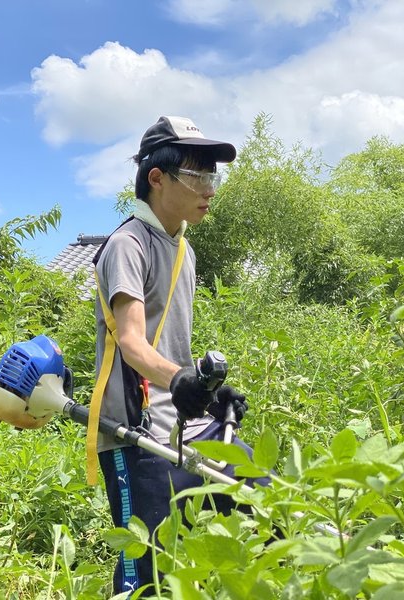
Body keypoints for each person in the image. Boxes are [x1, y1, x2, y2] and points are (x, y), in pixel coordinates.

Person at [91, 116, 260, 595]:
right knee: (145, 575)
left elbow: (172, 349)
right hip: (135, 432)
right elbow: (131, 342)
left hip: (187, 427)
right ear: (157, 178)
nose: (209, 189)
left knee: (261, 502)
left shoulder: (183, 250)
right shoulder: (129, 244)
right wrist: (181, 380)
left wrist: (209, 393)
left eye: (213, 177)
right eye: (198, 176)